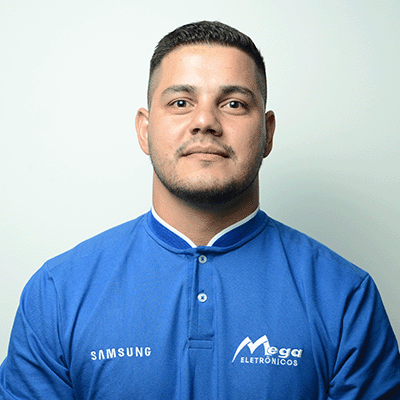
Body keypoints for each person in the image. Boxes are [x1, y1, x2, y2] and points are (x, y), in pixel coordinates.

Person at [0, 20, 399, 399]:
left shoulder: (345, 297)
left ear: (268, 133)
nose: (205, 121)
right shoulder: (57, 293)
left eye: (234, 104)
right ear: (144, 129)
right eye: (181, 102)